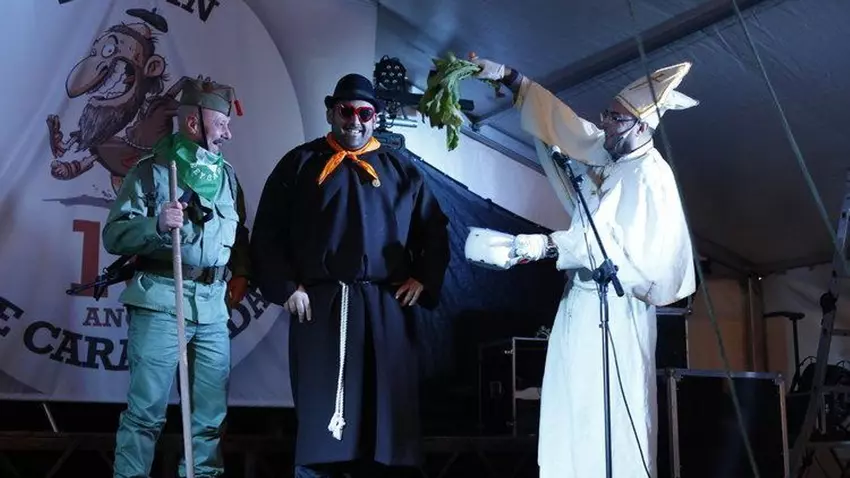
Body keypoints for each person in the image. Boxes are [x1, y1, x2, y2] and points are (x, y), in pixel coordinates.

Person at [465, 55, 698, 478]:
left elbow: (617, 247)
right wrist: (512, 79)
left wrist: (544, 245)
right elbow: (567, 127)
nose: (604, 123)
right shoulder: (612, 153)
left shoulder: (651, 177)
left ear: (641, 127)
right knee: (570, 405)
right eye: (607, 113)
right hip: (580, 302)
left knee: (603, 413)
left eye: (614, 118)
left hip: (616, 314)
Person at [250, 73, 450, 477]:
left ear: (375, 117)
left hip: (385, 308)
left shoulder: (401, 170)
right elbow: (268, 232)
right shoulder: (300, 163)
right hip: (320, 308)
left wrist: (423, 277)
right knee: (323, 419)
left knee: (383, 422)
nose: (354, 121)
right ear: (331, 113)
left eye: (364, 113)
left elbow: (434, 230)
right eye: (345, 111)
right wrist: (286, 287)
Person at [102, 75, 251, 478]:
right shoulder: (151, 172)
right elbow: (113, 236)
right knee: (146, 413)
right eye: (221, 124)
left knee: (209, 419)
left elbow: (239, 237)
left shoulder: (227, 176)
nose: (228, 134)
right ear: (193, 123)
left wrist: (241, 273)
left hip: (212, 307)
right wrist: (155, 224)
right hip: (162, 301)